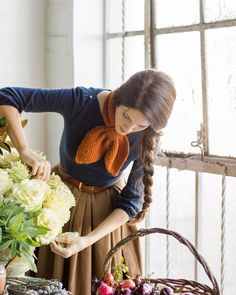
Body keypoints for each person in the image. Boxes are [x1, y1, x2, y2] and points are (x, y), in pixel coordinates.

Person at [0, 69, 176, 295]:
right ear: (119, 97)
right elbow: (8, 97)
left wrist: (87, 240)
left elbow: (130, 202)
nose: (128, 129)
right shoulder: (81, 101)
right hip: (60, 205)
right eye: (126, 116)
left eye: (140, 126)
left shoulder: (148, 136)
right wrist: (24, 151)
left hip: (107, 219)